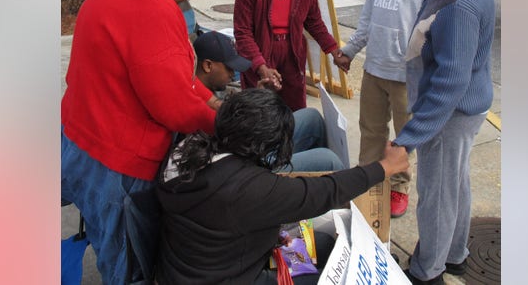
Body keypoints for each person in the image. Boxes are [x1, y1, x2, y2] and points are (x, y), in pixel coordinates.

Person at [60, 0, 219, 285]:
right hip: (115, 164)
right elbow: (174, 107)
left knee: (104, 239)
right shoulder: (154, 8)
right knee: (126, 265)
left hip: (81, 141)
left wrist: (210, 100)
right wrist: (224, 121)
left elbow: (173, 78)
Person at [156, 88, 410, 285]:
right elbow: (323, 192)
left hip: (194, 269)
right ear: (260, 146)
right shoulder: (249, 189)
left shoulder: (192, 149)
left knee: (321, 242)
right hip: (230, 278)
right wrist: (384, 168)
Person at [393, 0, 495, 285]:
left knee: (436, 194)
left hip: (453, 112)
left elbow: (451, 80)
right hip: (466, 106)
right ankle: (454, 255)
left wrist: (410, 136)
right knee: (455, 183)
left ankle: (427, 271)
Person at [332, 0, 437, 218]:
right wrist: (349, 50)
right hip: (375, 66)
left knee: (405, 137)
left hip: (409, 72)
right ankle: (366, 181)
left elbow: (434, 22)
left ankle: (399, 186)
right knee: (371, 131)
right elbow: (368, 16)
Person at [192, 30, 343, 172]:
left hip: (248, 151)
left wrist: (258, 98)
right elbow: (241, 135)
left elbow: (235, 118)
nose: (233, 74)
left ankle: (314, 188)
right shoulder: (195, 103)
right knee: (329, 160)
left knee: (312, 118)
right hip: (243, 168)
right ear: (208, 66)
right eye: (229, 68)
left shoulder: (202, 88)